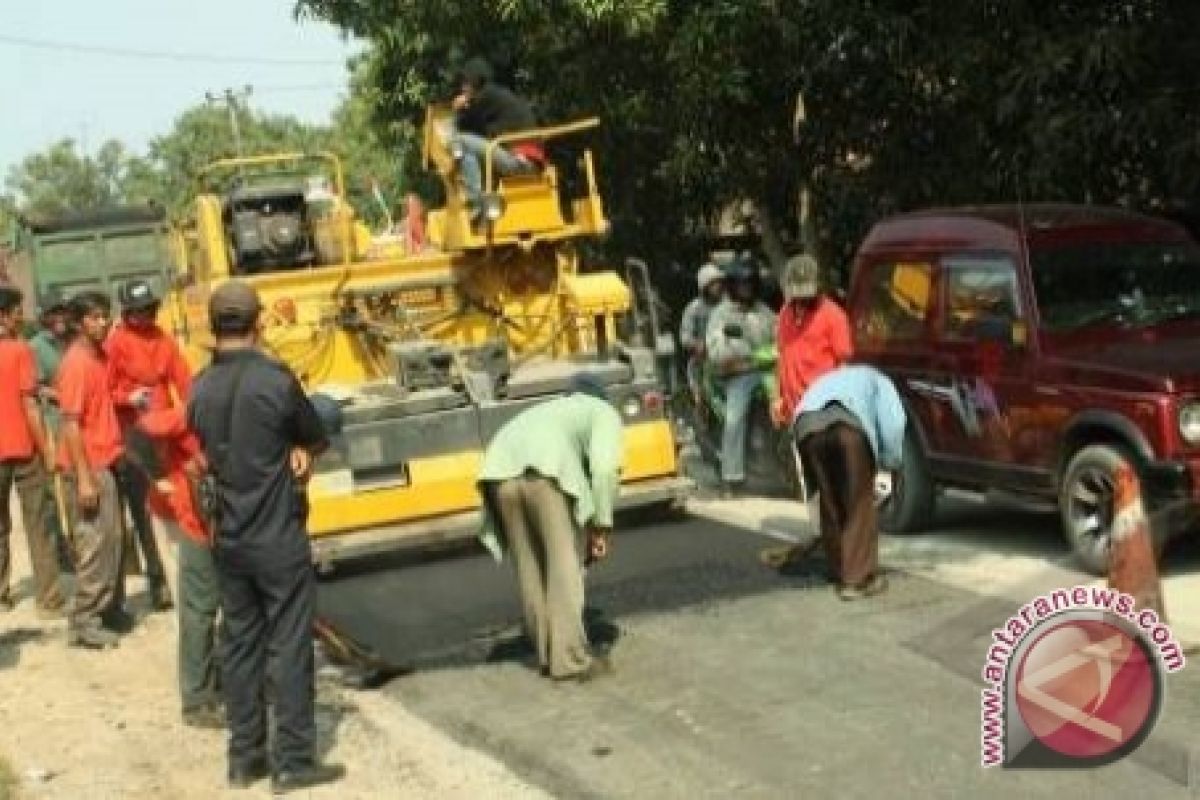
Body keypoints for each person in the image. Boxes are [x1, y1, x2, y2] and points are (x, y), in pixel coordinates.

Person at [187, 280, 344, 793]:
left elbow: (205, 453)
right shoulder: (275, 381)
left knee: (239, 647)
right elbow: (315, 436)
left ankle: (244, 758)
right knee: (291, 645)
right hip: (277, 537)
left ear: (213, 329)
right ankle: (294, 761)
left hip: (228, 541)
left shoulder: (200, 387)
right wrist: (300, 453)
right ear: (259, 323)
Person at [477, 374, 622, 682]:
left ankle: (545, 654)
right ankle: (570, 661)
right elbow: (605, 469)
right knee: (563, 567)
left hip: (498, 475)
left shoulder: (550, 411)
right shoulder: (602, 411)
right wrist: (601, 526)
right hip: (545, 473)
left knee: (529, 567)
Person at [125, 407, 223, 730]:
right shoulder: (190, 413)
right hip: (189, 520)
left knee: (225, 606)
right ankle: (197, 698)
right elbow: (139, 434)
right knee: (197, 607)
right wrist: (160, 476)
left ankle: (222, 678)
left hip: (223, 523)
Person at [790, 364, 906, 600]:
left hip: (807, 428)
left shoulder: (832, 377)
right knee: (858, 504)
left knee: (830, 500)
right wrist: (890, 462)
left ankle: (839, 568)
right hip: (847, 429)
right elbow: (894, 426)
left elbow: (801, 407)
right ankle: (856, 580)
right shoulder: (882, 381)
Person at [107, 279, 184, 612]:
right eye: (140, 312)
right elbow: (106, 392)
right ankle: (158, 581)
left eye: (150, 309)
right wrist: (127, 397)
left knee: (177, 499)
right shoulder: (116, 344)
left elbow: (183, 377)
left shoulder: (163, 338)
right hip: (135, 435)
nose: (147, 316)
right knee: (145, 508)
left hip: (167, 429)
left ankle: (181, 570)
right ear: (127, 313)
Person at [56, 291, 125, 648]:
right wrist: (84, 478)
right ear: (80, 322)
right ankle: (85, 619)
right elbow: (71, 424)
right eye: (95, 317)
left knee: (111, 540)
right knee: (94, 543)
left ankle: (107, 608)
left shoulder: (97, 357)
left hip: (104, 460)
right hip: (88, 466)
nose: (103, 323)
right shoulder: (76, 364)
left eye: (105, 316)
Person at [0, 286, 64, 616]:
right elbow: (30, 405)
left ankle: (1, 593)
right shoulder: (19, 350)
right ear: (4, 316)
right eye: (17, 311)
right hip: (23, 449)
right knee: (39, 523)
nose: (21, 317)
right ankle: (49, 600)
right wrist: (47, 449)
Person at [704, 259, 778, 497]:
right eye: (741, 284)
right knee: (734, 418)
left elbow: (781, 337)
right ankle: (731, 476)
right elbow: (716, 353)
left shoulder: (765, 312)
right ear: (732, 286)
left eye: (749, 284)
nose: (746, 289)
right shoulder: (721, 315)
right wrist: (745, 356)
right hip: (738, 375)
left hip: (768, 371)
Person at [451, 57, 544, 217]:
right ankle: (486, 196)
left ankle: (475, 203)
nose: (463, 88)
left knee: (459, 142)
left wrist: (459, 108)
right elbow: (479, 130)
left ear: (476, 80)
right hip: (530, 162)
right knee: (474, 148)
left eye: (466, 83)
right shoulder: (497, 98)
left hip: (518, 162)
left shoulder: (486, 95)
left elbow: (464, 124)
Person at [773, 254, 853, 426]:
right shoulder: (785, 313)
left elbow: (845, 365)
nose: (801, 299)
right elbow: (781, 356)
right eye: (797, 294)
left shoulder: (833, 315)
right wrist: (777, 398)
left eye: (806, 294)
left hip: (823, 410)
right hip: (794, 410)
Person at [679, 263, 725, 408]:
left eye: (719, 282)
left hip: (729, 357)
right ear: (704, 287)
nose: (717, 286)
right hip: (703, 361)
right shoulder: (694, 309)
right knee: (701, 400)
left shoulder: (729, 305)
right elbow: (684, 337)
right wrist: (698, 344)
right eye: (713, 283)